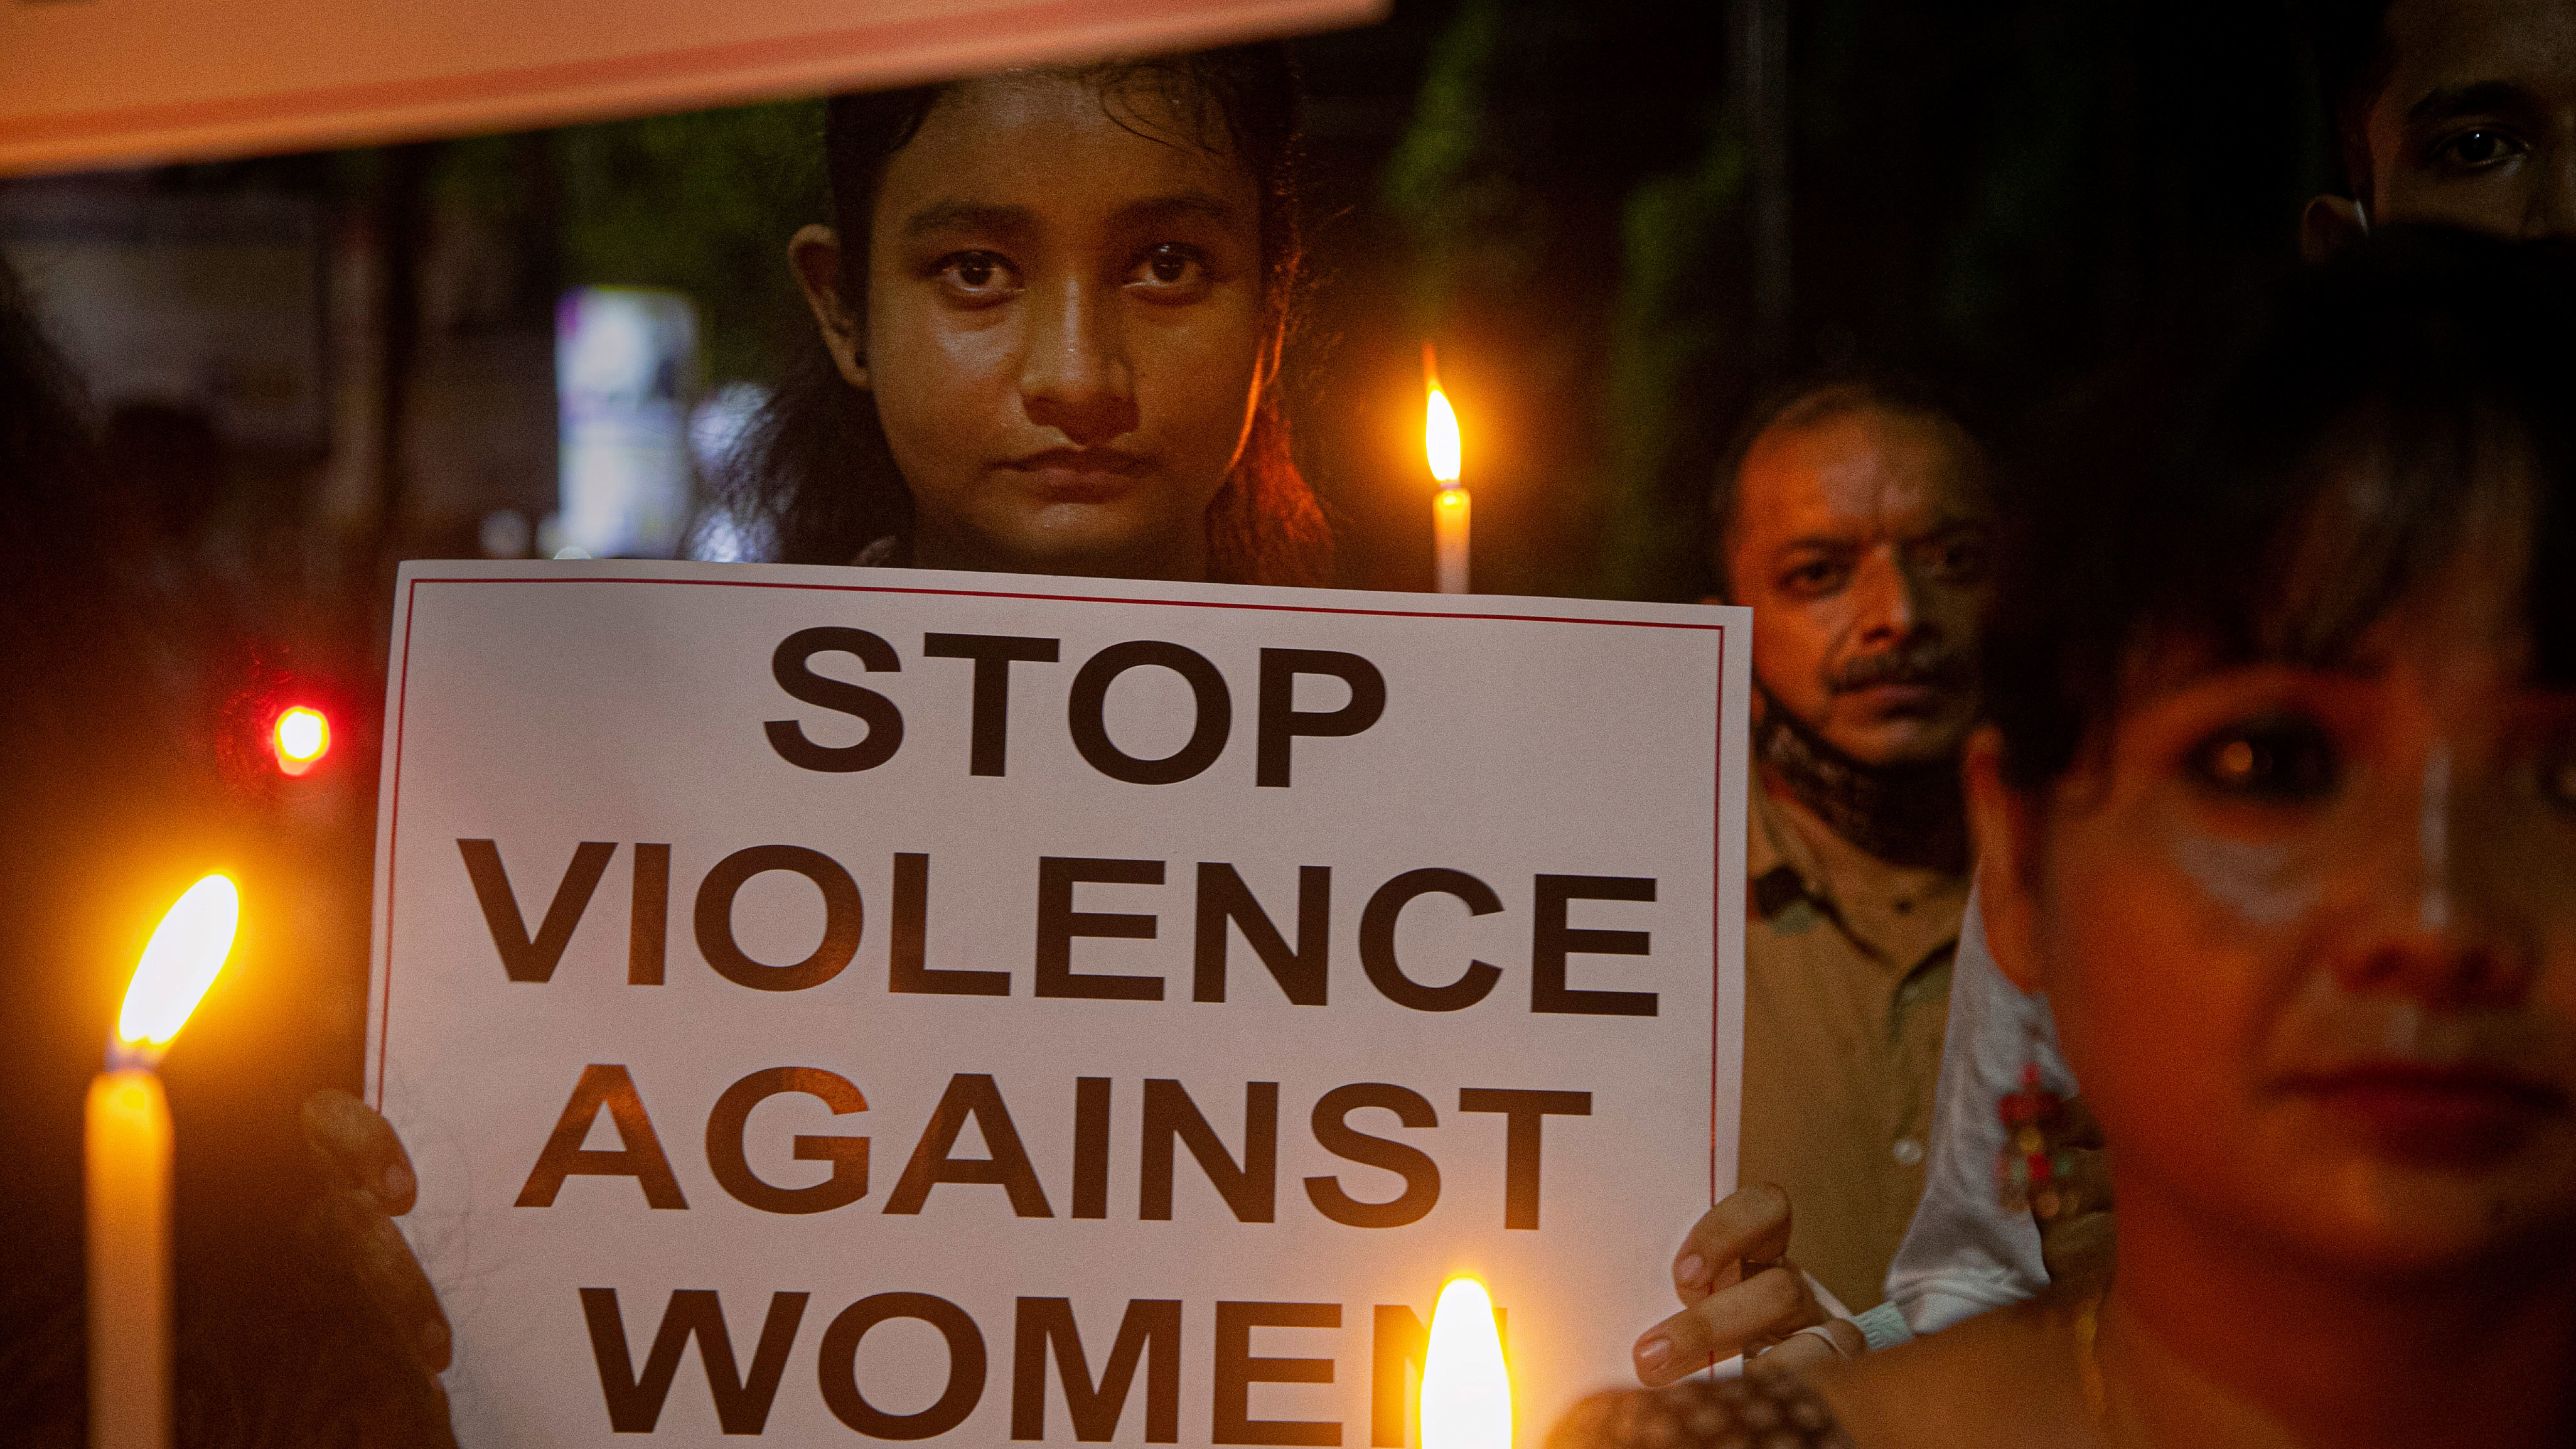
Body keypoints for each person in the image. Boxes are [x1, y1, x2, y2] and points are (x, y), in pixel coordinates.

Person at [301, 45, 1338, 1404]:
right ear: (842, 306)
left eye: (1165, 267)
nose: (1080, 373)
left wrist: (1700, 1282)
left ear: (1273, 299)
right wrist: (323, 1216)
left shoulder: (1484, 819)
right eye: (977, 270)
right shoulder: (621, 794)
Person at [1561, 225, 2576, 1448]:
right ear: (2024, 860)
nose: (2435, 917)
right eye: (2267, 765)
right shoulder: (1622, 899)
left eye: (2571, 775)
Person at [1883, 0, 2576, 1342]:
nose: (2566, 212)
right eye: (2482, 144)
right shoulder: (2165, 647)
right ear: (2348, 232)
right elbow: (1981, 1273)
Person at [1628, 376, 1994, 1386]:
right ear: (1726, 628)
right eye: (1821, 573)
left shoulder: (2137, 902)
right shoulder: (1636, 905)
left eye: (1954, 562)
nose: (1900, 615)